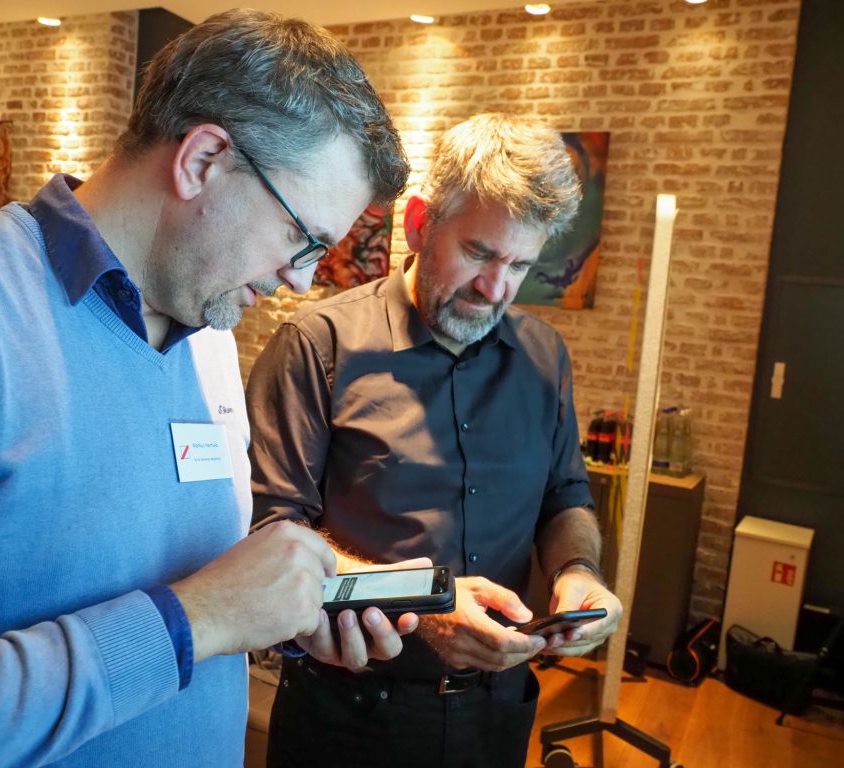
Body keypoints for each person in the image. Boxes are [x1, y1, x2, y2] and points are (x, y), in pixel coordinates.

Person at [0, 10, 413, 767]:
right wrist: (195, 621)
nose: (302, 280)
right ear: (203, 159)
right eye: (302, 238)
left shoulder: (209, 329)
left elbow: (183, 567)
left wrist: (292, 600)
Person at [247, 112, 624, 768]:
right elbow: (272, 538)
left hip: (496, 714)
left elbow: (565, 496)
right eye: (479, 253)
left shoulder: (544, 356)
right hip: (350, 714)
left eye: (520, 265)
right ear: (419, 223)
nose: (496, 288)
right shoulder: (317, 346)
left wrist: (578, 573)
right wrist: (421, 606)